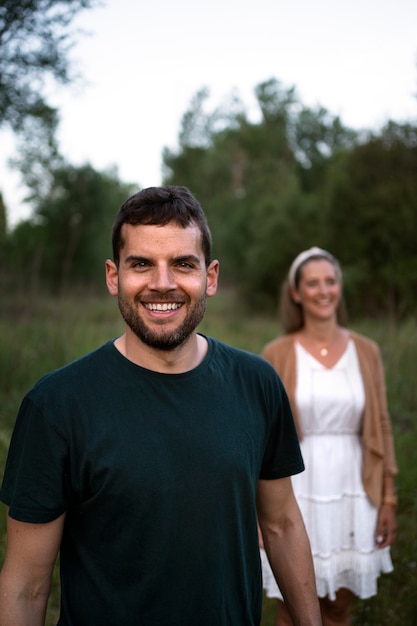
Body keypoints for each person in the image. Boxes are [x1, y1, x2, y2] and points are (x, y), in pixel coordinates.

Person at [0, 186, 322, 626]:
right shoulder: (56, 405)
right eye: (141, 264)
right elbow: (26, 586)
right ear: (114, 276)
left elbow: (282, 524)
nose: (163, 283)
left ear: (210, 277)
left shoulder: (257, 382)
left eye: (183, 264)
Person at [259, 246, 398, 626]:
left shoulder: (366, 351)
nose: (323, 290)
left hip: (354, 488)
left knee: (338, 605)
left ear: (340, 286)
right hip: (295, 491)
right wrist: (260, 513)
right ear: (296, 292)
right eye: (313, 283)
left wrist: (388, 496)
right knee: (292, 604)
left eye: (330, 281)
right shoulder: (276, 353)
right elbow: (261, 437)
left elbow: (381, 425)